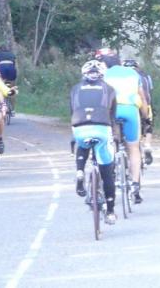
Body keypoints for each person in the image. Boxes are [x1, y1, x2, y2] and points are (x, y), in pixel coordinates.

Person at [70, 59, 118, 225]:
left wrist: (72, 138)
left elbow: (73, 111)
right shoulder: (109, 89)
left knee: (83, 144)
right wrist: (116, 138)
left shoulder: (75, 89)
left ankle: (80, 171)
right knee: (107, 170)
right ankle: (110, 211)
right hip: (102, 128)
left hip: (79, 127)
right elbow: (112, 116)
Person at [101, 48, 149, 204]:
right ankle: (135, 186)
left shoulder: (104, 75)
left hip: (111, 111)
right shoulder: (133, 74)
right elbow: (142, 97)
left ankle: (112, 167)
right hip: (130, 109)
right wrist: (146, 116)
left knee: (110, 142)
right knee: (134, 148)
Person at [124, 58, 154, 165]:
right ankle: (147, 144)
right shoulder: (145, 76)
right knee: (148, 122)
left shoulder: (123, 77)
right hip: (145, 103)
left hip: (129, 105)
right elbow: (149, 91)